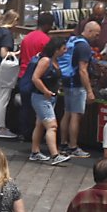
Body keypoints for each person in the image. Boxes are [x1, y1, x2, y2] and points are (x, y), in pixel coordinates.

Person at [55, 21, 97, 158]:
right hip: (77, 85)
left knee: (67, 113)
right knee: (75, 115)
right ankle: (73, 146)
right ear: (89, 31)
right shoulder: (84, 47)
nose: (97, 37)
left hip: (67, 82)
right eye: (96, 34)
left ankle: (63, 144)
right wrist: (89, 90)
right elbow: (83, 70)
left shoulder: (73, 40)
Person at [25, 34, 66, 165]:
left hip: (49, 97)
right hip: (41, 97)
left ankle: (35, 151)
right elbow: (35, 78)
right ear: (56, 49)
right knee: (52, 126)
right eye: (63, 48)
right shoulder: (45, 61)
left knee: (40, 124)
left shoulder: (54, 61)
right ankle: (55, 155)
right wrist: (46, 91)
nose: (65, 51)